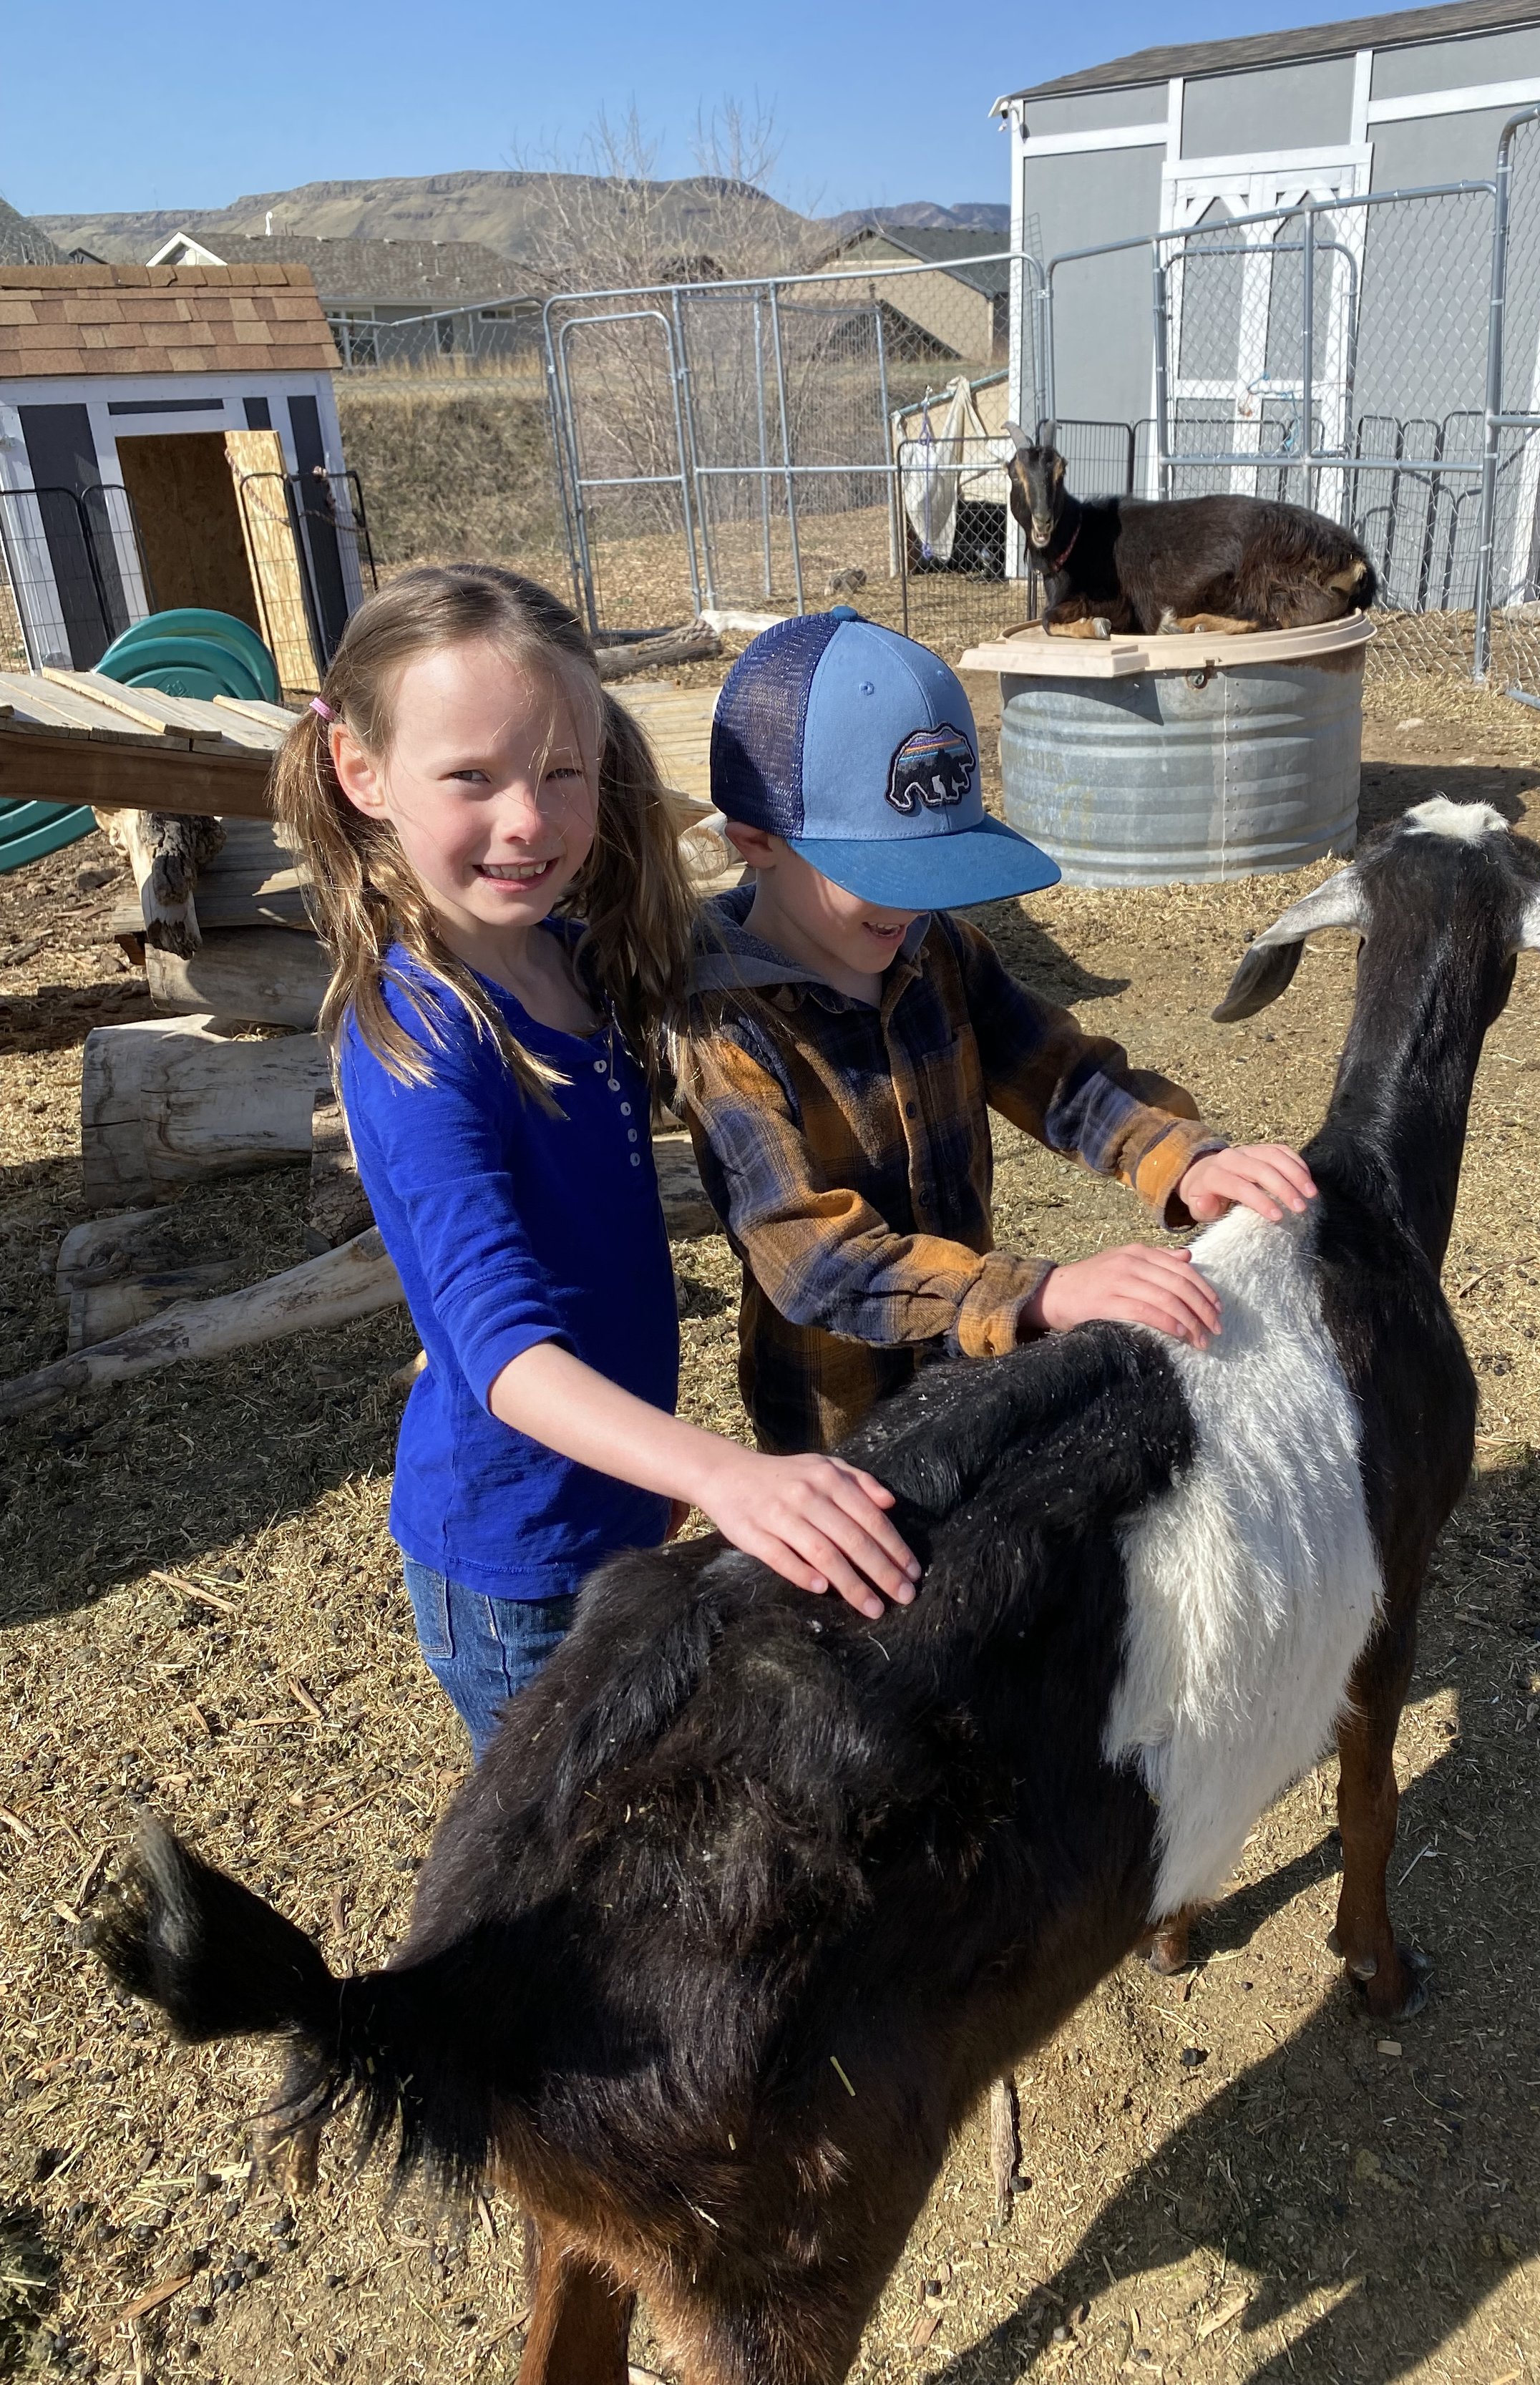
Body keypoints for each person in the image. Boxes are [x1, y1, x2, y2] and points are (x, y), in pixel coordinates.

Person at [274, 567, 916, 1757]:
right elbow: (504, 1349)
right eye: (471, 776)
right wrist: (729, 1473)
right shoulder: (417, 1035)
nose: (529, 819)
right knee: (565, 1860)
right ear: (362, 775)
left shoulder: (568, 956)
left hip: (607, 1498)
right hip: (516, 1558)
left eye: (560, 772)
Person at [679, 607, 1319, 1458]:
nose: (911, 907)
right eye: (881, 873)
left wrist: (1183, 1157)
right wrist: (1037, 1297)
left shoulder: (937, 951)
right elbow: (817, 1266)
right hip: (837, 1432)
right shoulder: (721, 1023)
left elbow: (1063, 1079)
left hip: (966, 1384)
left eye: (936, 870)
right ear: (755, 839)